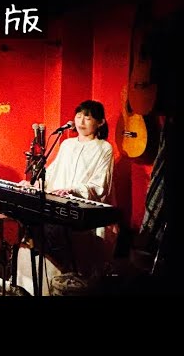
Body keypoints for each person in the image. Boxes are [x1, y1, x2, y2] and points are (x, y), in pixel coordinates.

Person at [16, 99, 116, 295]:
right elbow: (52, 172)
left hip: (81, 206)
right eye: (78, 116)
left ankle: (64, 275)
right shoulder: (67, 144)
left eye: (87, 117)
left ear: (100, 122)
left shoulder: (104, 148)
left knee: (54, 229)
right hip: (58, 202)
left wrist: (73, 190)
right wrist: (34, 185)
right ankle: (31, 283)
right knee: (31, 222)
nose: (81, 121)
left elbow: (101, 184)